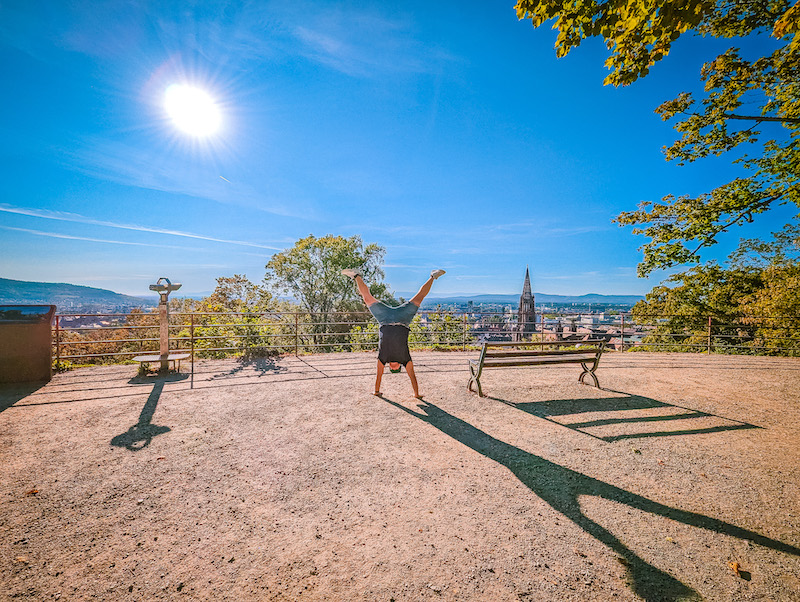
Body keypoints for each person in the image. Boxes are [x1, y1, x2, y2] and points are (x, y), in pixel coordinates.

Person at [342, 268, 445, 398]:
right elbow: (412, 376)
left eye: (392, 369)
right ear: (399, 367)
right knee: (419, 298)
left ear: (389, 367)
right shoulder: (405, 359)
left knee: (367, 299)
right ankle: (432, 276)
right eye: (395, 369)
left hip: (384, 319)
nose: (393, 367)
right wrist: (416, 394)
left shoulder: (383, 358)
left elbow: (378, 376)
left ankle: (356, 276)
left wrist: (376, 391)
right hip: (403, 320)